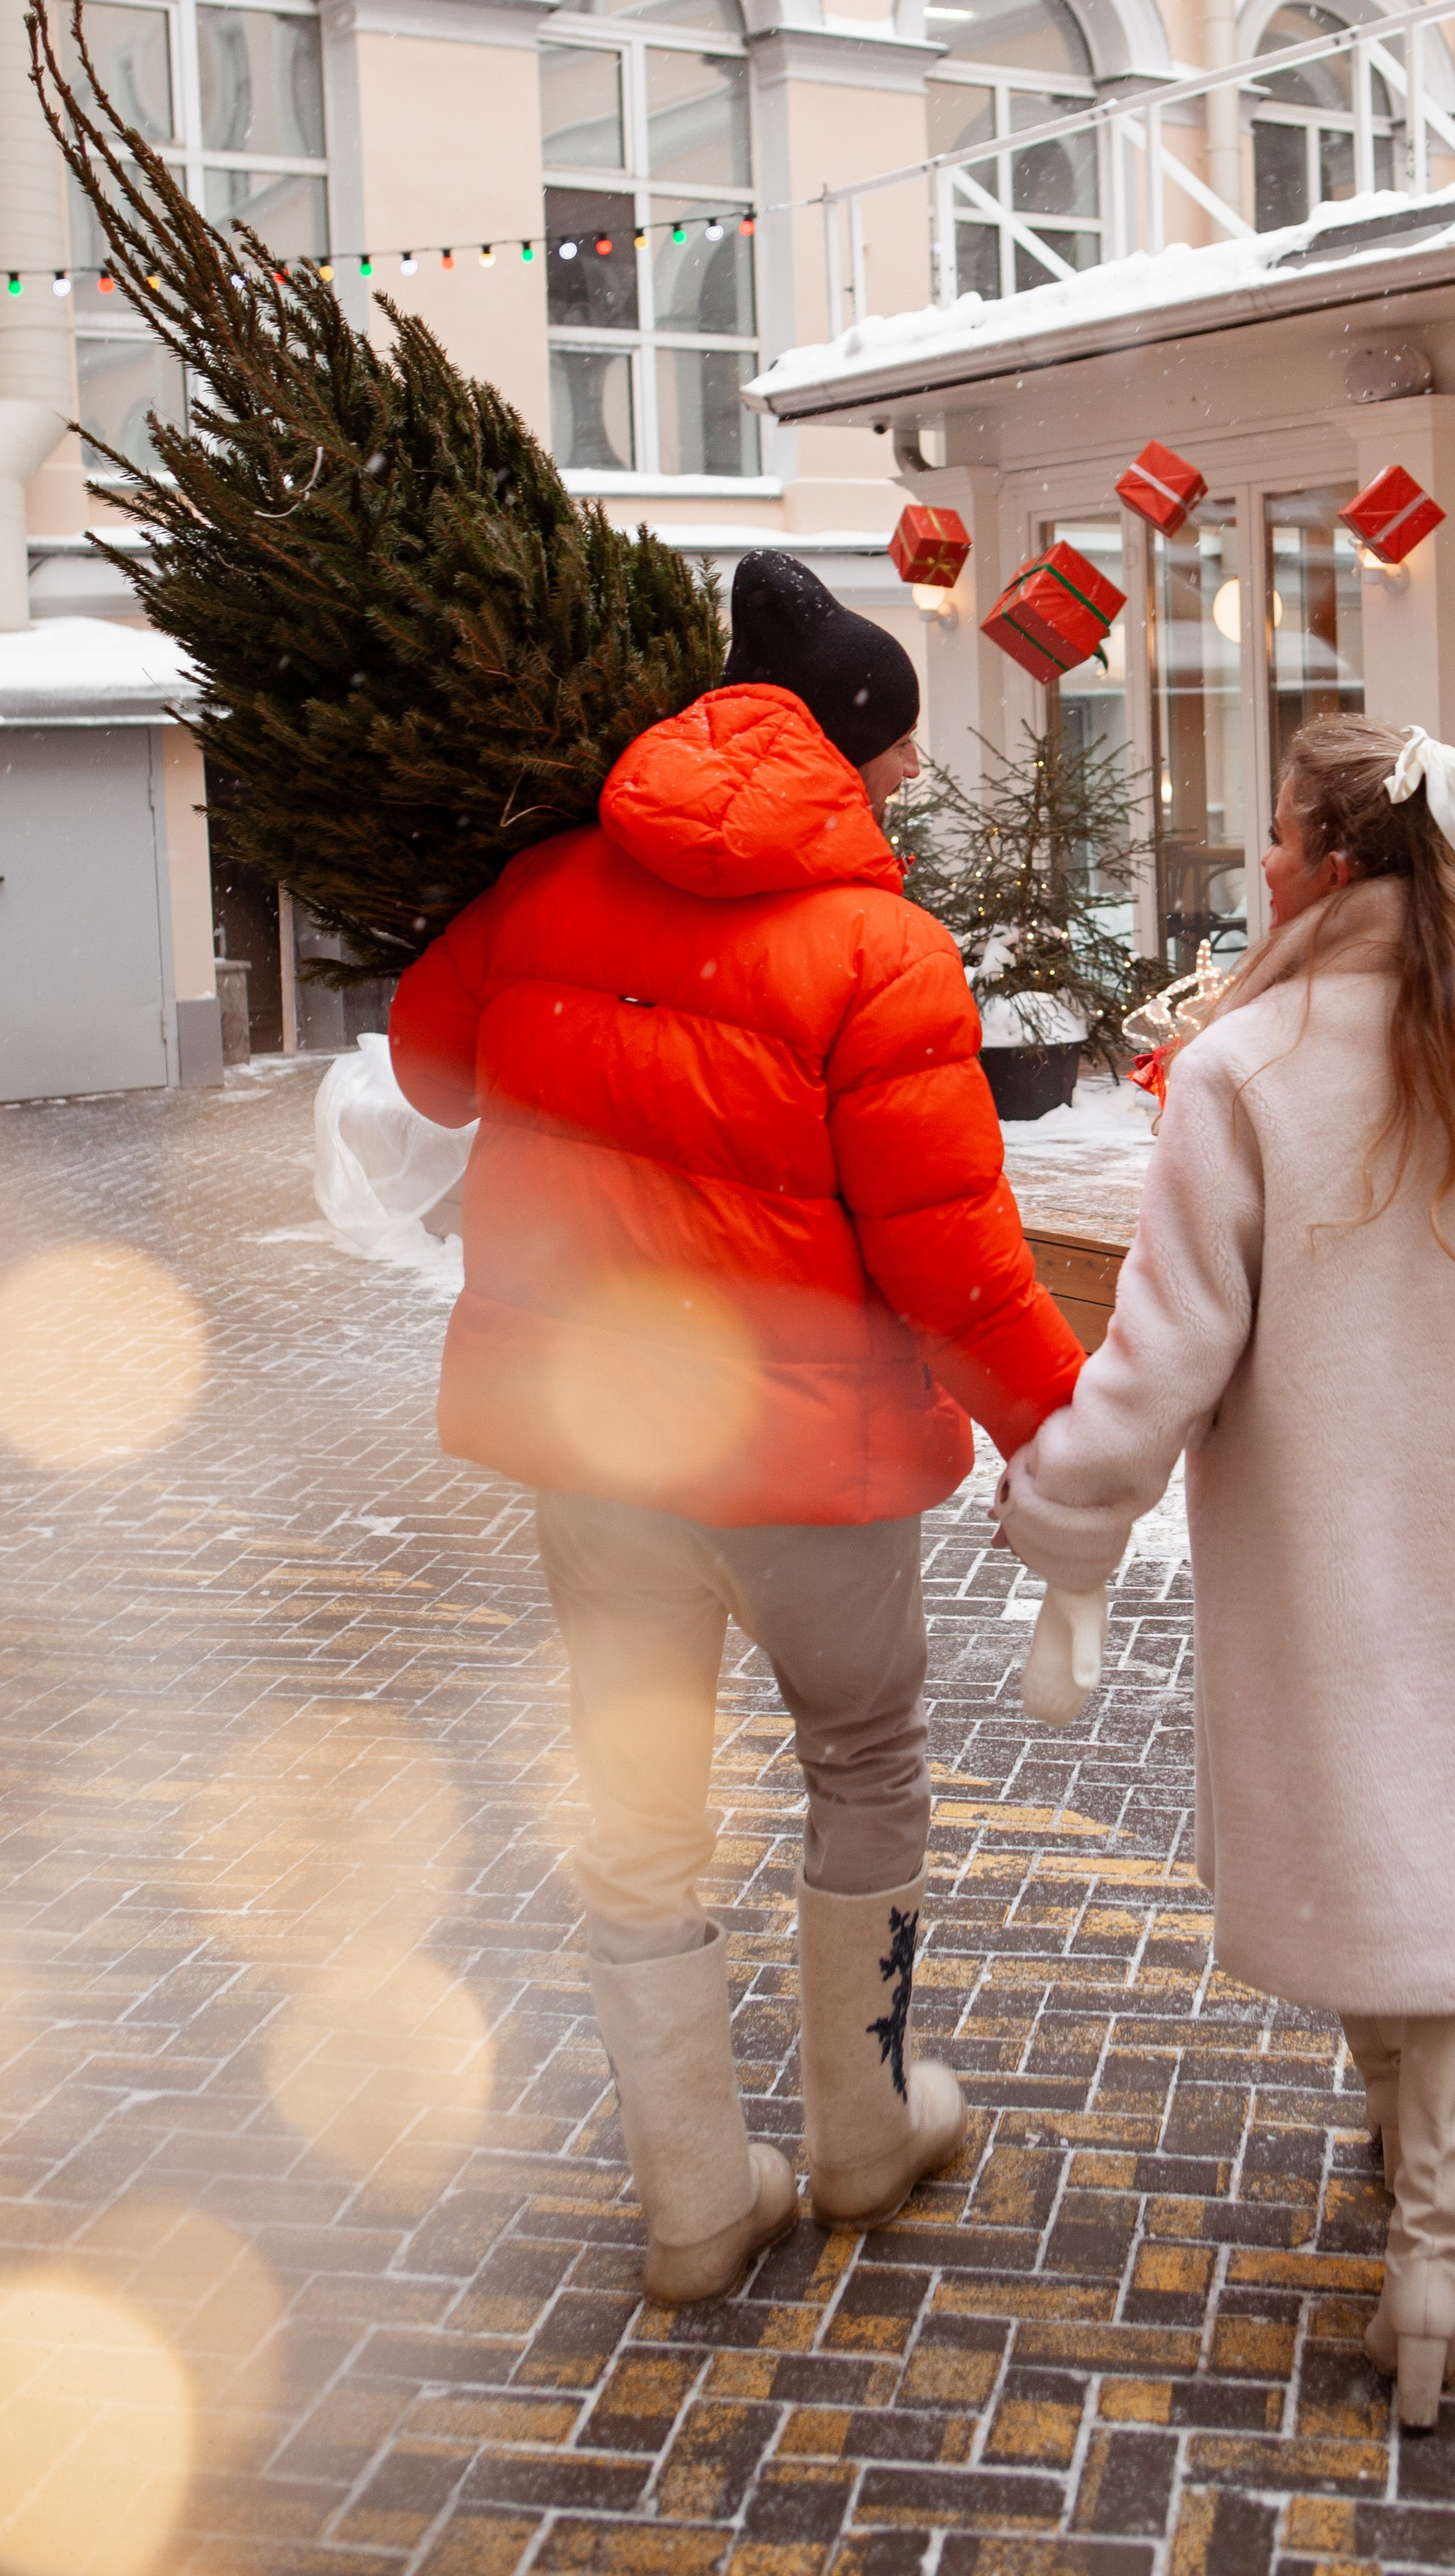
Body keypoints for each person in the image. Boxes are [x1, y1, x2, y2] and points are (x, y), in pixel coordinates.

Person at [995, 713, 1455, 2432]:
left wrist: (1067, 1538)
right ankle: (1431, 2262)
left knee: (1385, 1862)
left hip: (1324, 1585)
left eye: (1267, 836)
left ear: (1324, 860)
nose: (1251, 863)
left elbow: (1158, 1360)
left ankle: (1412, 2218)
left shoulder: (1242, 1072)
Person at [391, 550, 1083, 2305]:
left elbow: (424, 1065)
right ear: (840, 752)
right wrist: (1062, 1439)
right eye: (901, 758)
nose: (913, 785)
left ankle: (694, 2201)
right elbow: (953, 1264)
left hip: (593, 1449)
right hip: (804, 1468)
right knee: (862, 1764)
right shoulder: (876, 952)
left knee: (635, 1807)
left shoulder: (545, 883)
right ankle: (859, 2136)